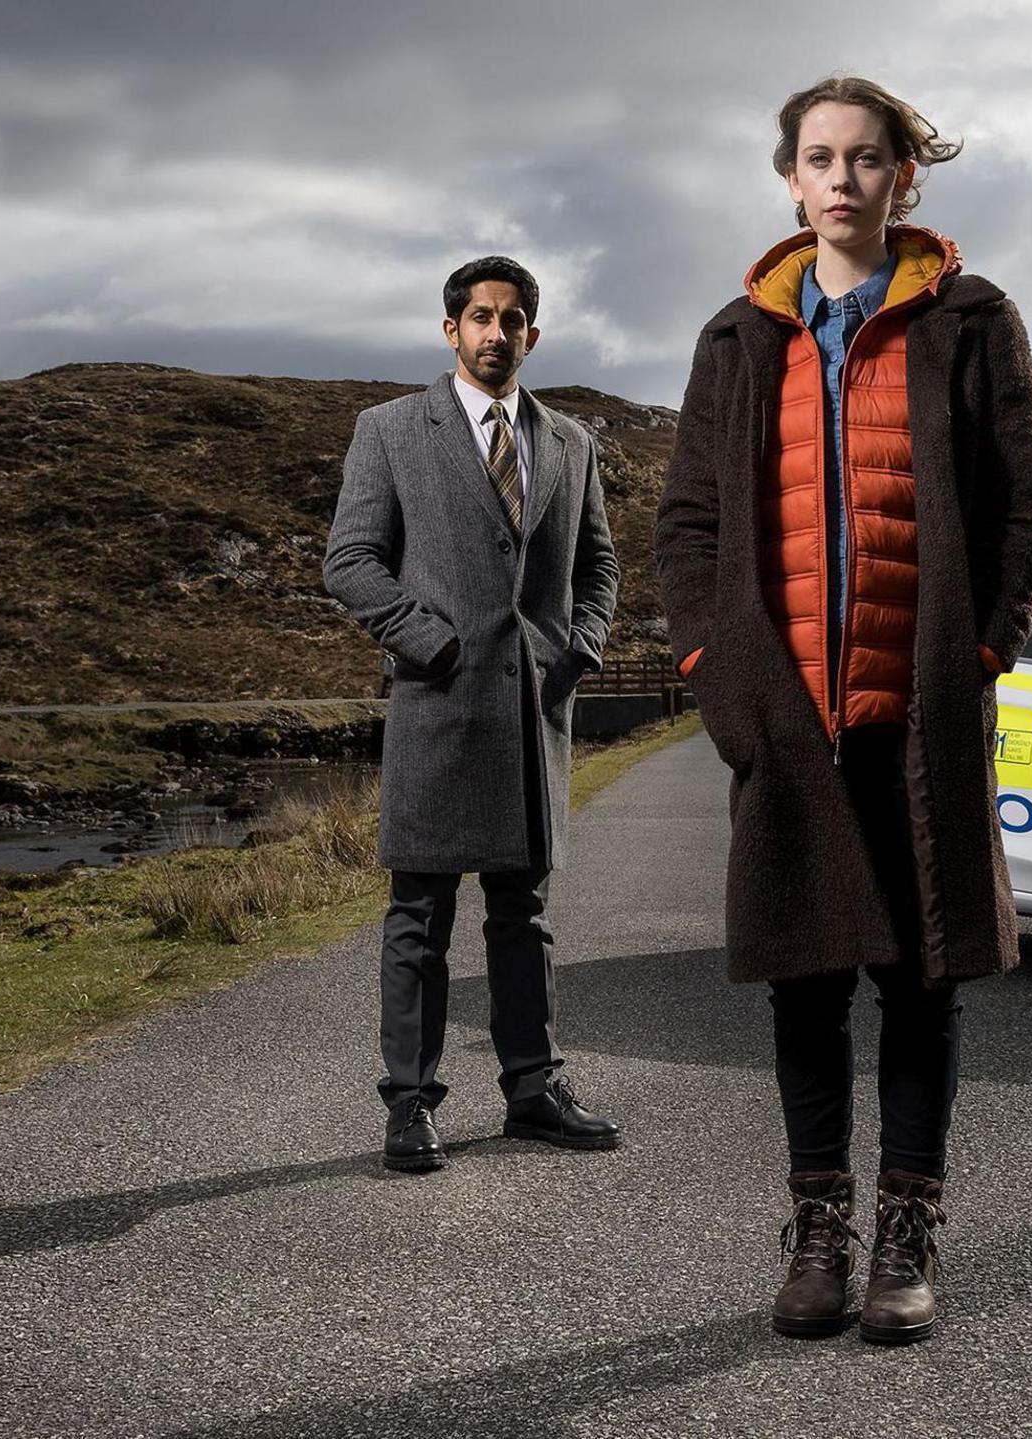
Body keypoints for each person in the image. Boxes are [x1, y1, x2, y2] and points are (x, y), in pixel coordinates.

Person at [653, 76, 1032, 1345]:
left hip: (915, 712)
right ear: (789, 179)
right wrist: (717, 674)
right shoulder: (735, 339)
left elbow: (1027, 511)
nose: (842, 179)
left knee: (921, 980)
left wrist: (983, 651)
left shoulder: (972, 319)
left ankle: (906, 1231)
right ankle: (818, 1230)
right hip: (786, 720)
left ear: (903, 177)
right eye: (820, 158)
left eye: (867, 158)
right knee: (804, 979)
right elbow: (687, 527)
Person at [324, 255, 622, 1174]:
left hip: (534, 716)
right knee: (418, 915)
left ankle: (533, 1088)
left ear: (533, 333)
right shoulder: (388, 432)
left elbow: (599, 564)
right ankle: (409, 1103)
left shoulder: (570, 441)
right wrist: (436, 641)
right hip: (437, 706)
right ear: (451, 329)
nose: (498, 332)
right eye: (481, 317)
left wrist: (581, 647)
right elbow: (351, 561)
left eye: (514, 318)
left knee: (522, 914)